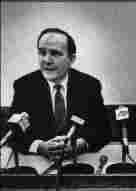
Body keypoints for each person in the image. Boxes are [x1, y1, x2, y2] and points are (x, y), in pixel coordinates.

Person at [10, 28, 111, 160]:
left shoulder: (89, 85)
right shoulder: (25, 86)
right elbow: (14, 133)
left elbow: (103, 131)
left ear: (71, 58)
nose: (47, 60)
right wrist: (40, 146)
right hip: (39, 163)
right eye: (42, 52)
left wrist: (79, 145)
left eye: (55, 53)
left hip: (78, 163)